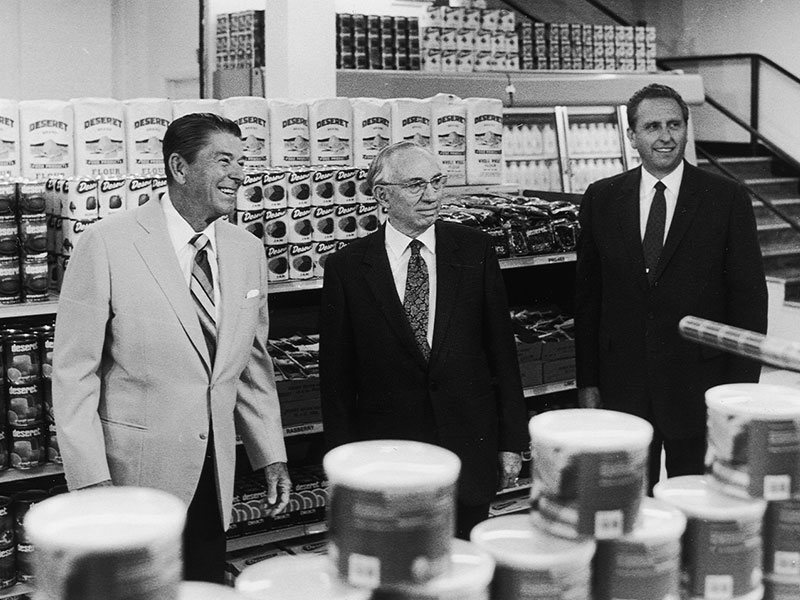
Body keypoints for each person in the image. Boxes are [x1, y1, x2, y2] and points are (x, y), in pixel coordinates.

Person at [52, 113, 291, 583]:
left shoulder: (246, 250)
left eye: (242, 162)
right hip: (132, 478)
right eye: (224, 161)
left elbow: (251, 364)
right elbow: (73, 373)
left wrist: (271, 453)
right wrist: (91, 480)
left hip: (213, 474)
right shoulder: (106, 242)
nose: (240, 174)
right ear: (179, 168)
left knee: (203, 585)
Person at [319, 140, 529, 539]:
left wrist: (511, 442)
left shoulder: (473, 249)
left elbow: (502, 353)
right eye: (416, 185)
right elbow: (337, 380)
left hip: (468, 447)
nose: (431, 195)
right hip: (390, 458)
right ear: (382, 195)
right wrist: (341, 463)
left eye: (437, 181)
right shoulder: (348, 268)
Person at [575, 84, 768, 491]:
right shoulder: (602, 198)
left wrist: (738, 394)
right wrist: (588, 383)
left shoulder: (725, 198)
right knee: (625, 506)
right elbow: (589, 299)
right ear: (631, 135)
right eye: (652, 127)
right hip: (623, 387)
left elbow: (749, 299)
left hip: (699, 386)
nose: (665, 136)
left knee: (696, 502)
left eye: (674, 125)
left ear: (686, 128)